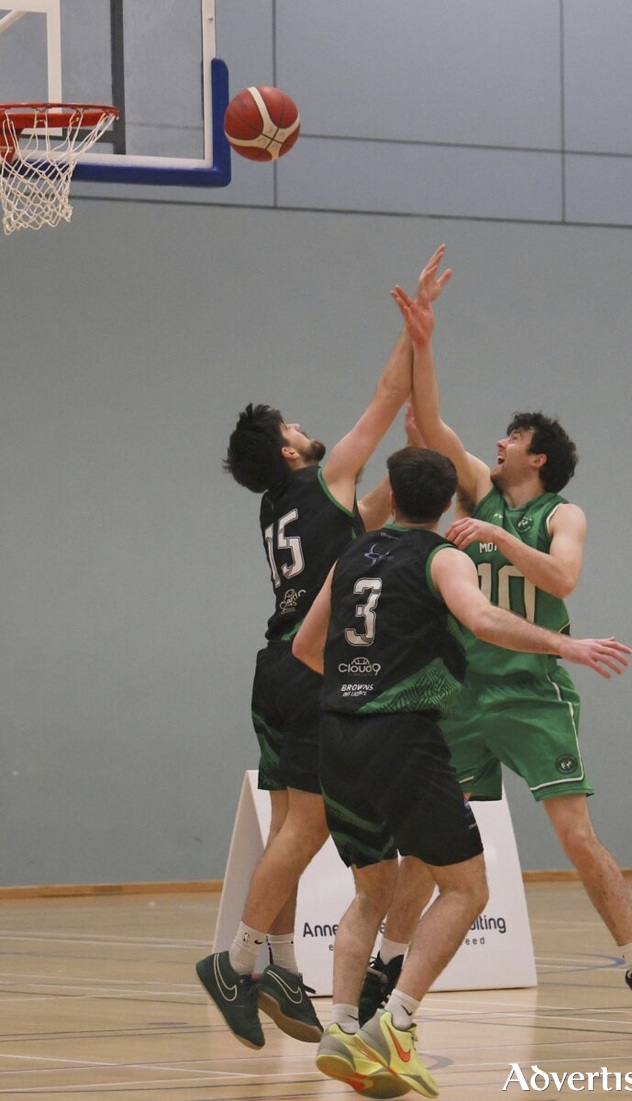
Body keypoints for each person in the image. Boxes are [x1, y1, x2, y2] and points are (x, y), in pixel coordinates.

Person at [292, 334, 632, 1095]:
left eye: (511, 439)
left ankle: (342, 1029)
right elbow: (483, 621)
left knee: (372, 894)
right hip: (402, 733)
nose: (496, 445)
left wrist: (421, 335)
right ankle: (396, 1022)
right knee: (466, 889)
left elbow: (307, 648)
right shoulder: (445, 555)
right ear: (449, 500)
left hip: (335, 730)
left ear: (389, 488)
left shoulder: (354, 553)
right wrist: (563, 647)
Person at [358, 252, 632, 1034]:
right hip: (464, 695)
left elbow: (563, 582)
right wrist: (423, 340)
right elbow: (432, 424)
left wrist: (502, 547)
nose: (498, 442)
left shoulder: (560, 515)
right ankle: (385, 969)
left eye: (512, 437)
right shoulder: (475, 487)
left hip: (534, 691)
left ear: (537, 457)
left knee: (576, 835)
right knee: (429, 849)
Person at [195, 247, 453, 1051]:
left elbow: (373, 515)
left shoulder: (281, 506)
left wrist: (417, 465)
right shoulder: (323, 475)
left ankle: (277, 960)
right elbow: (386, 396)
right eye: (294, 426)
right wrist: (416, 332)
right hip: (309, 671)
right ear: (288, 450)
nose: (307, 426)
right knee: (307, 830)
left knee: (287, 830)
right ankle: (234, 961)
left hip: (273, 665)